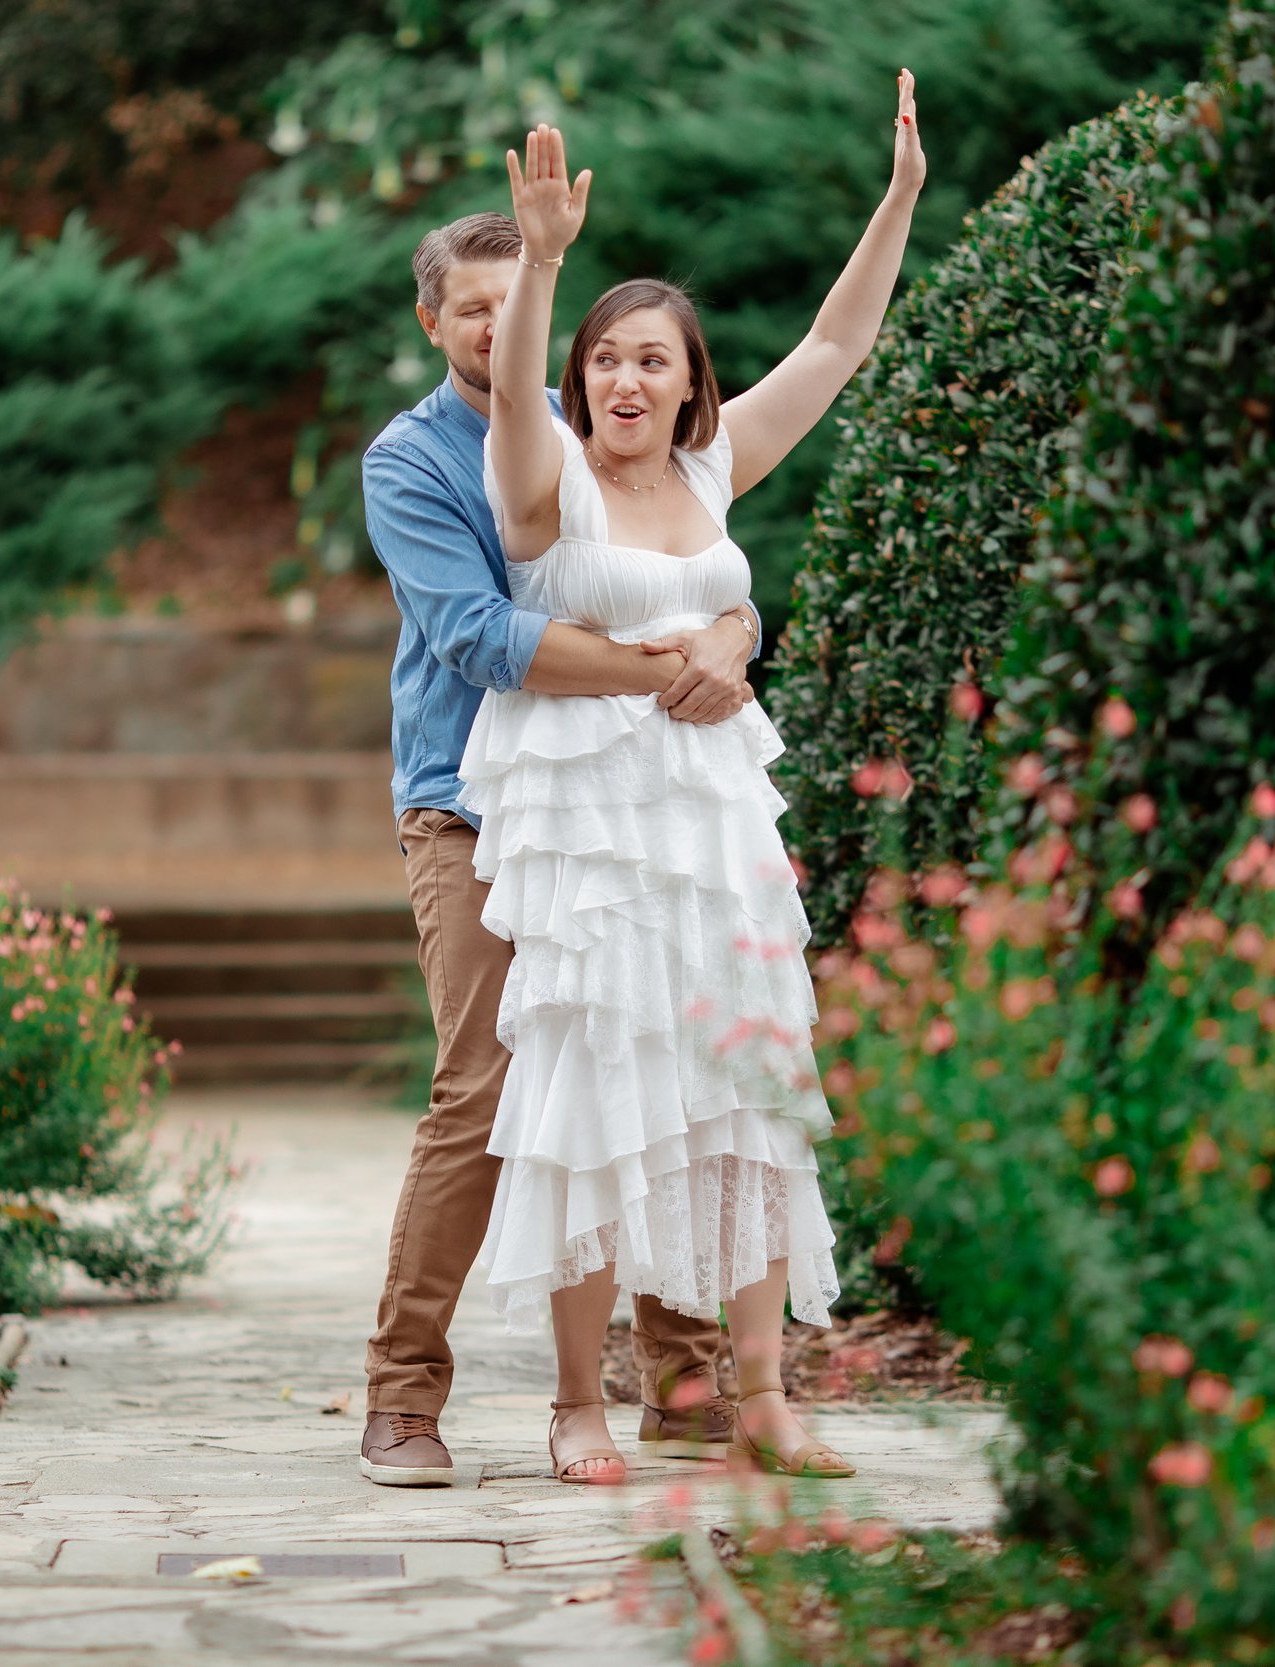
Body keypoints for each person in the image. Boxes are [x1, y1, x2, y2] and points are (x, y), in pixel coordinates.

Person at [467, 72, 926, 1483]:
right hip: (596, 843)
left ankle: (764, 1394)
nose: (626, 380)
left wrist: (901, 197)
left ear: (689, 382)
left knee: (748, 1087)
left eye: (653, 361)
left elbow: (838, 342)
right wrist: (543, 263)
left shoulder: (716, 473)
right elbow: (517, 398)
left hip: (717, 826)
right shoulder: (547, 482)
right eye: (607, 359)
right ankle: (579, 1405)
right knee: (593, 1096)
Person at [358, 211, 768, 1487]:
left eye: (514, 300)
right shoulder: (412, 460)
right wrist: (678, 667)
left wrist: (735, 632)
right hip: (467, 806)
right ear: (432, 321)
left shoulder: (594, 416)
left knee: (662, 1063)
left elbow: (691, 563)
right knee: (485, 1089)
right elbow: (482, 639)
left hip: (625, 815)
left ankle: (681, 1377)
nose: (497, 327)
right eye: (470, 307)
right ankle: (402, 1395)